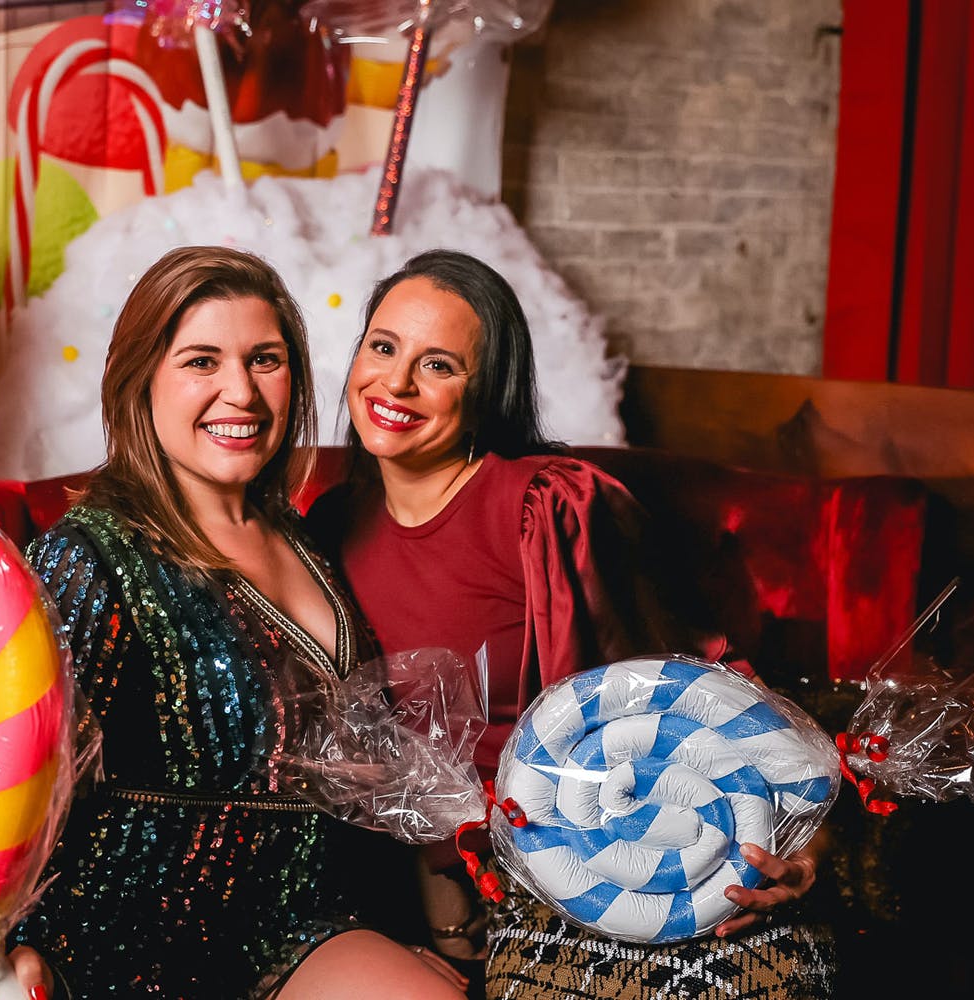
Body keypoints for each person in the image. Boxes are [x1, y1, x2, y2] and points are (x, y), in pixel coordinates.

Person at [306, 248, 837, 999]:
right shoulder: (329, 524)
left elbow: (700, 686)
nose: (395, 383)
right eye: (383, 347)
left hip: (587, 875)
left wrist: (809, 844)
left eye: (439, 365)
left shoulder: (547, 508)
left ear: (484, 390)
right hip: (398, 893)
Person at [0, 245, 469, 1000]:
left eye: (265, 360)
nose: (242, 392)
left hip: (302, 921)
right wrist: (1, 949)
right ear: (141, 380)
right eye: (202, 362)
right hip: (125, 935)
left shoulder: (307, 537)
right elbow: (8, 776)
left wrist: (427, 918)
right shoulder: (89, 556)